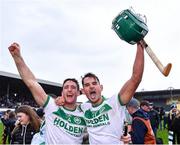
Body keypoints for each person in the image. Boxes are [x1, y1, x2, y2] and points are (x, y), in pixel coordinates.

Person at [8, 42, 86, 144]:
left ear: (78, 92)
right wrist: (17, 57)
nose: (70, 89)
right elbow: (31, 82)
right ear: (62, 92)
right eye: (66, 87)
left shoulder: (85, 112)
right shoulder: (52, 106)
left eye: (73, 87)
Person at [78, 41, 145, 144]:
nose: (91, 86)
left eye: (94, 83)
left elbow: (136, 78)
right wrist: (62, 99)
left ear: (101, 87)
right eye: (87, 85)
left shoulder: (115, 103)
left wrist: (140, 46)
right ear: (83, 91)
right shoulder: (83, 108)